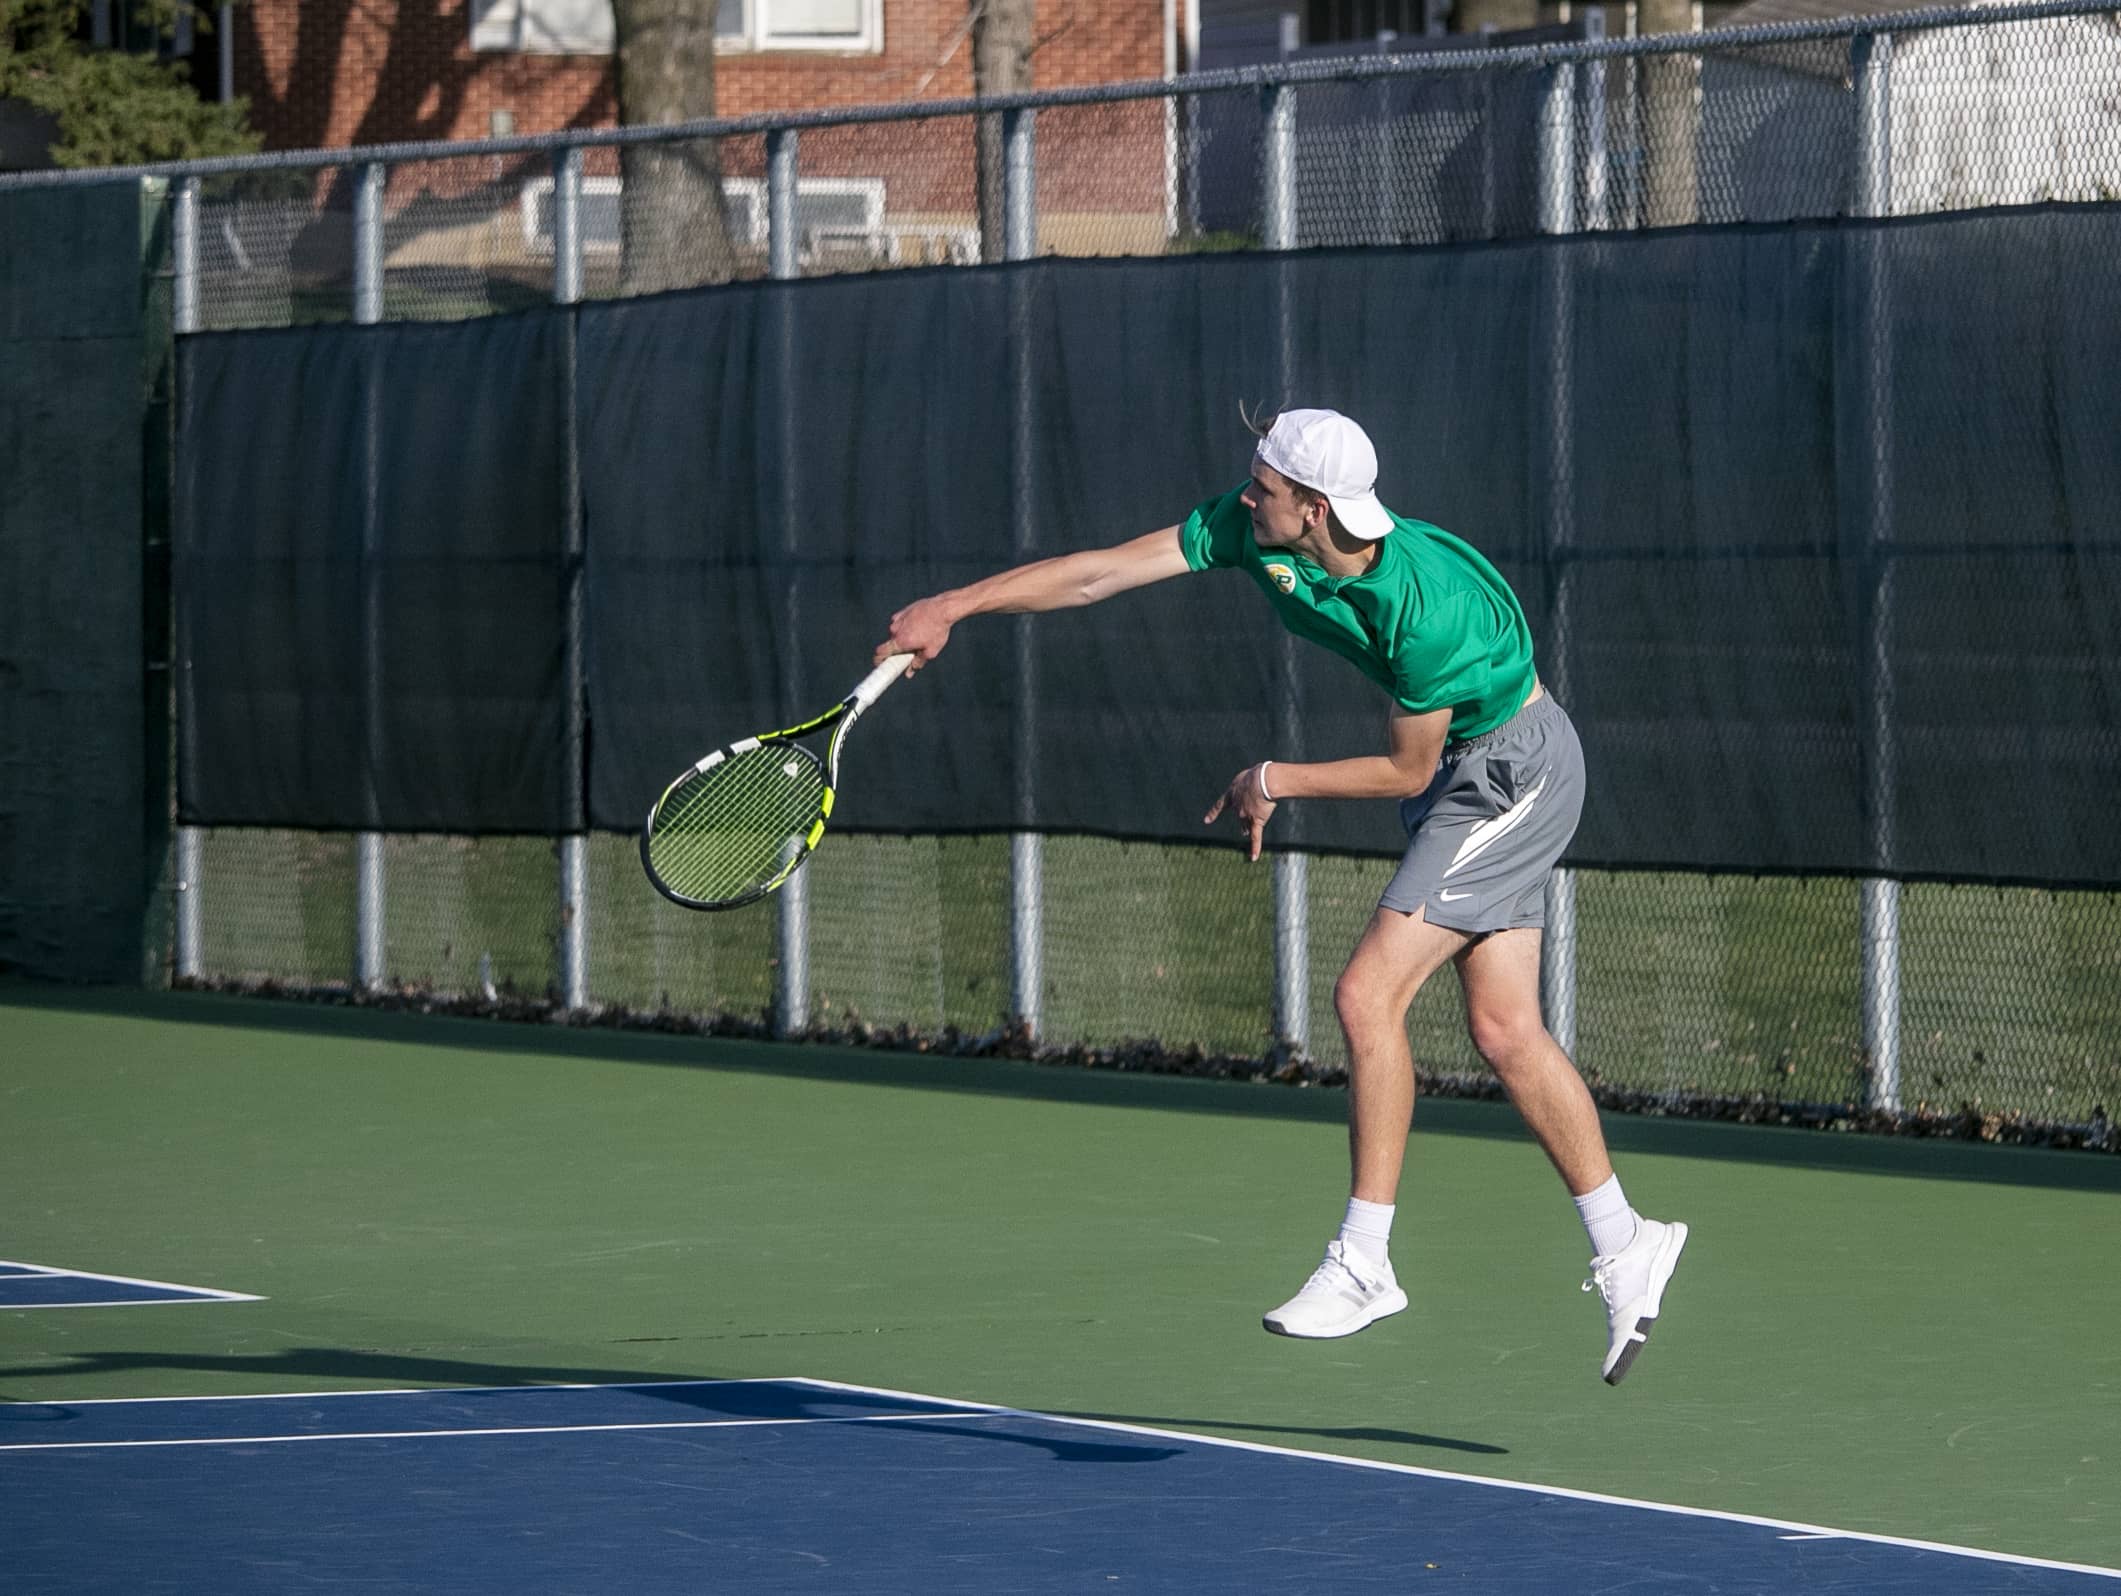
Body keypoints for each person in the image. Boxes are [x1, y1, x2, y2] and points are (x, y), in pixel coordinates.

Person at [875, 408, 1688, 1385]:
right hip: (1466, 774)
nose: (1244, 492)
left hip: (1511, 772)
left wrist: (1274, 778)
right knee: (1505, 1030)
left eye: (1264, 485)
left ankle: (1365, 1261)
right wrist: (955, 605)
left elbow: (1402, 768)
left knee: (1365, 996)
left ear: (1313, 509)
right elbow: (1100, 571)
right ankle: (1625, 1240)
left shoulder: (1426, 609)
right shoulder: (1252, 530)